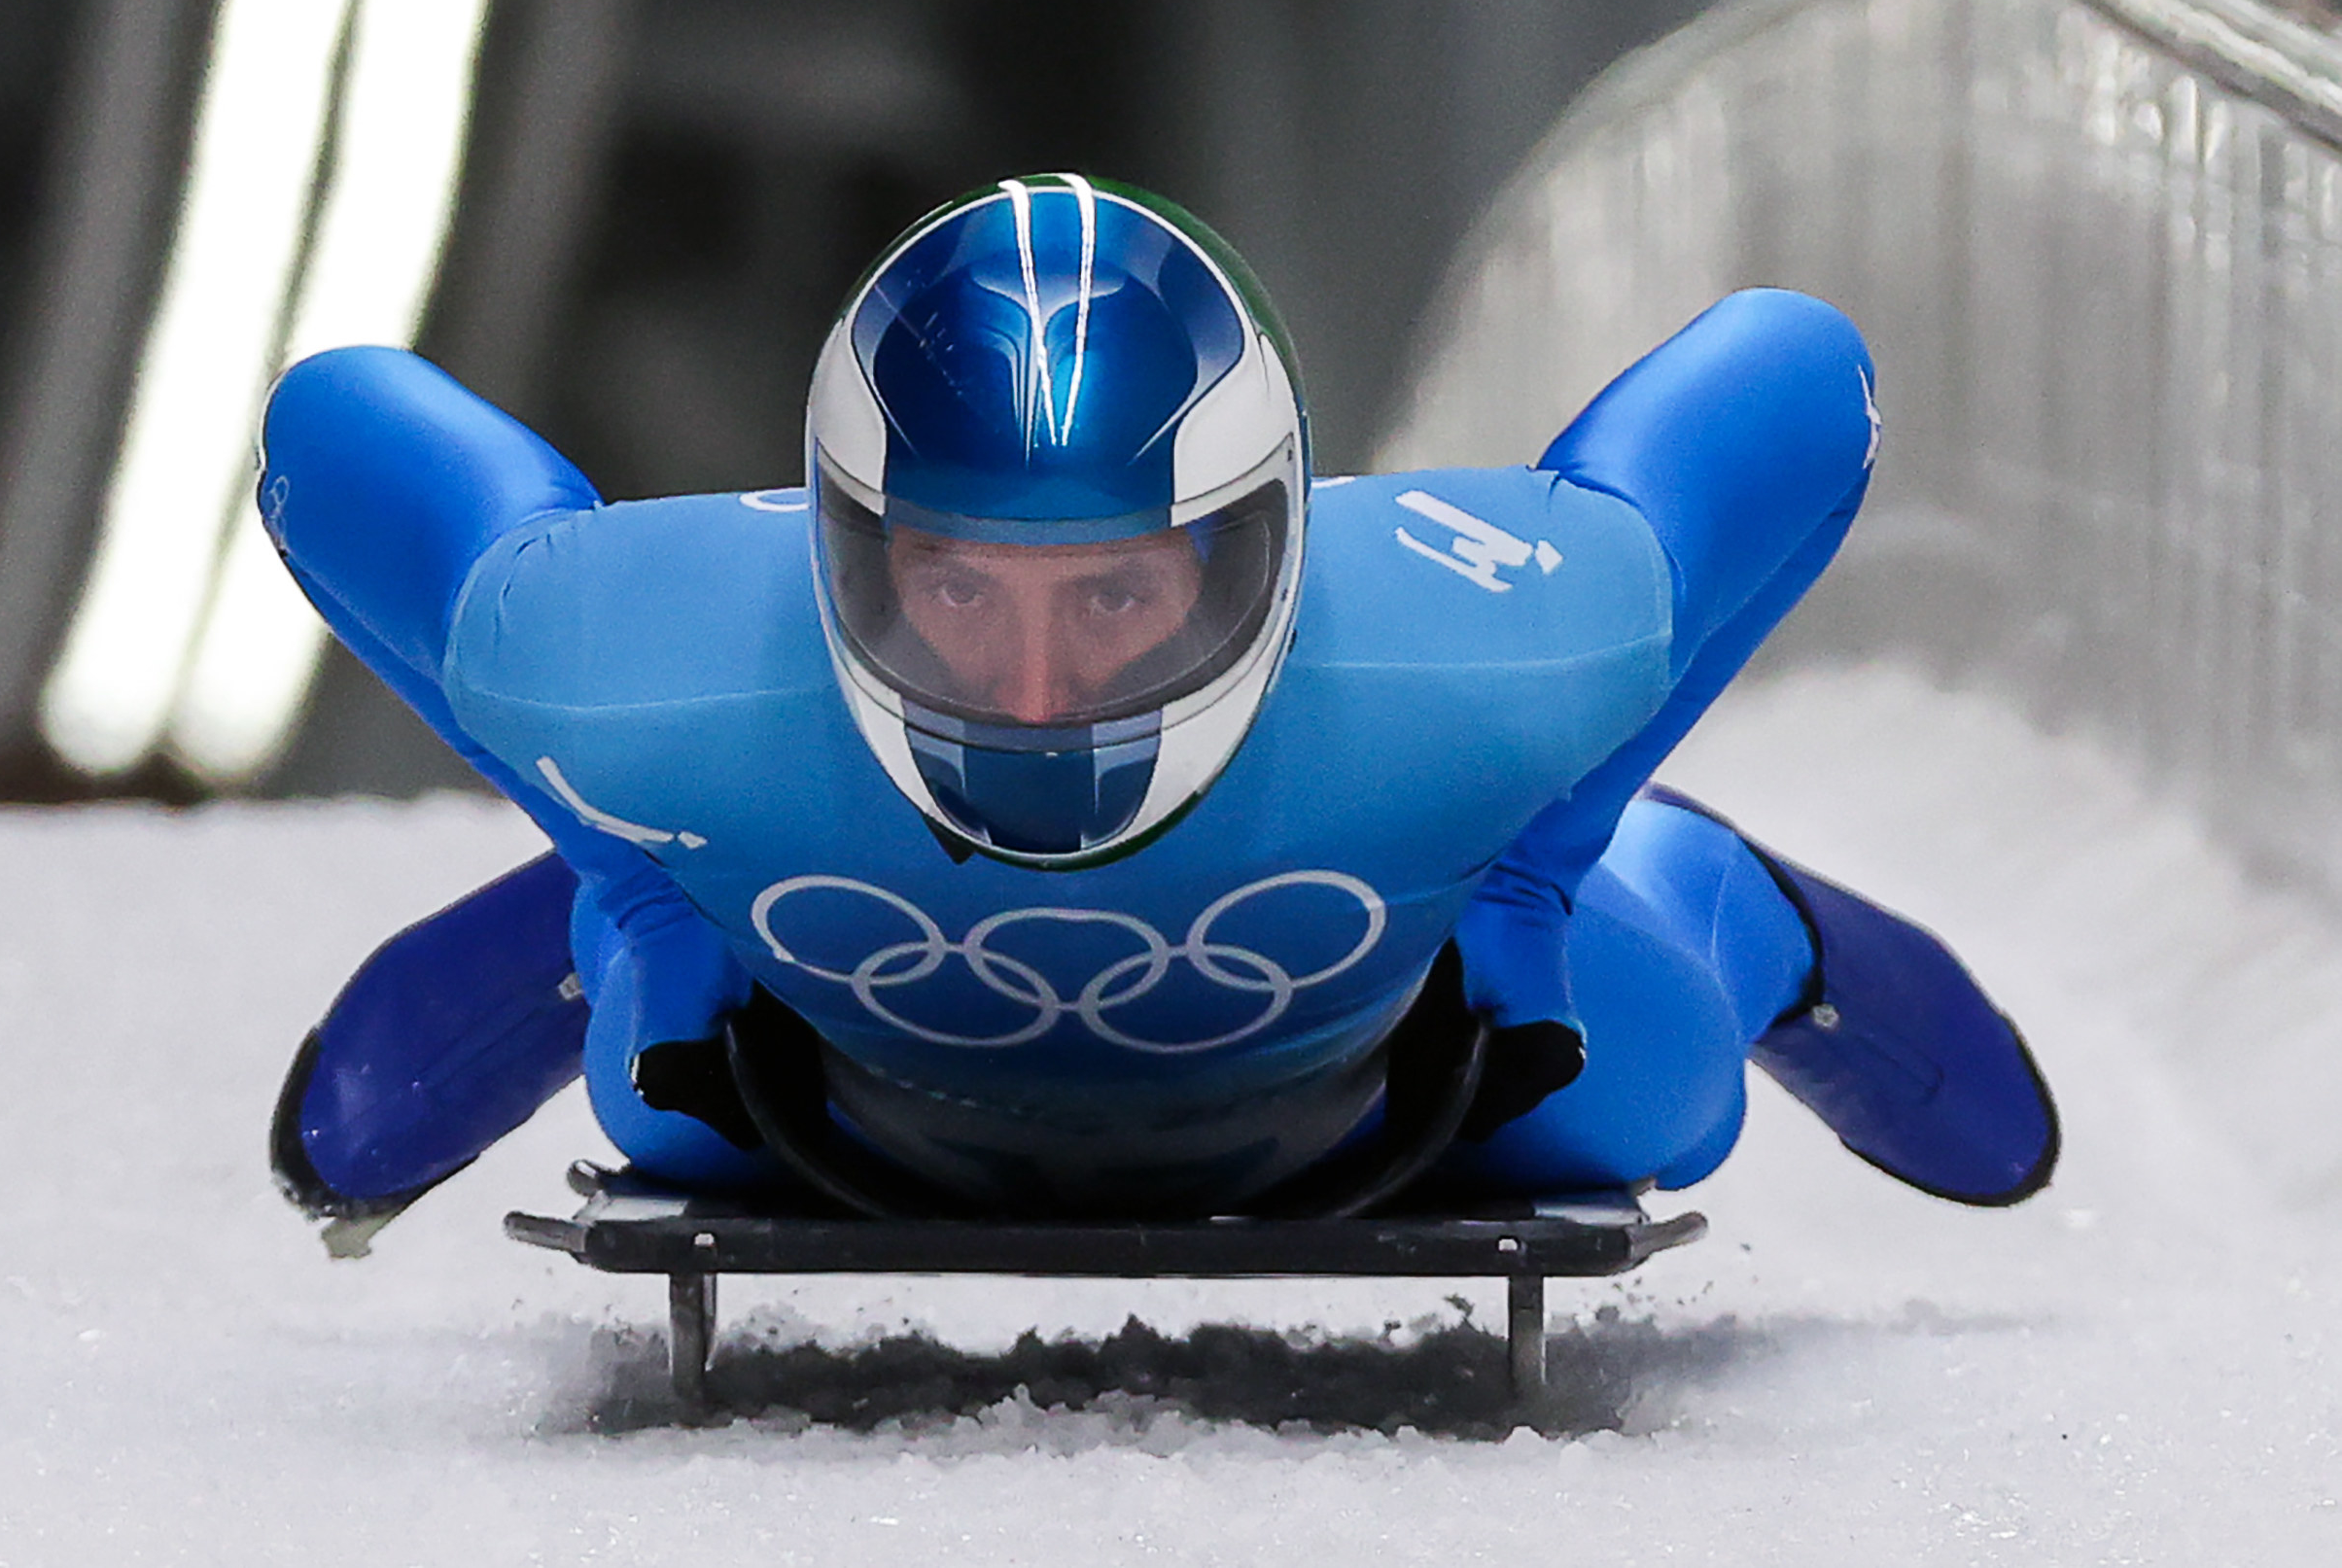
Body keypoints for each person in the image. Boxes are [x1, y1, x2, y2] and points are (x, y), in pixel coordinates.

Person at [263, 174, 2056, 1234]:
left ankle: (1698, 884)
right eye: (957, 591)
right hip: (851, 1069)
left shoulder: (1489, 645)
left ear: (1255, 552)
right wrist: (640, 863)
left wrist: (1550, 837)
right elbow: (327, 420)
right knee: (657, 1083)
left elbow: (1801, 370)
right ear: (845, 560)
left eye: (1116, 594)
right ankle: (655, 889)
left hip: (1376, 1071)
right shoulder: (640, 658)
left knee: (1646, 1072)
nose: (1037, 693)